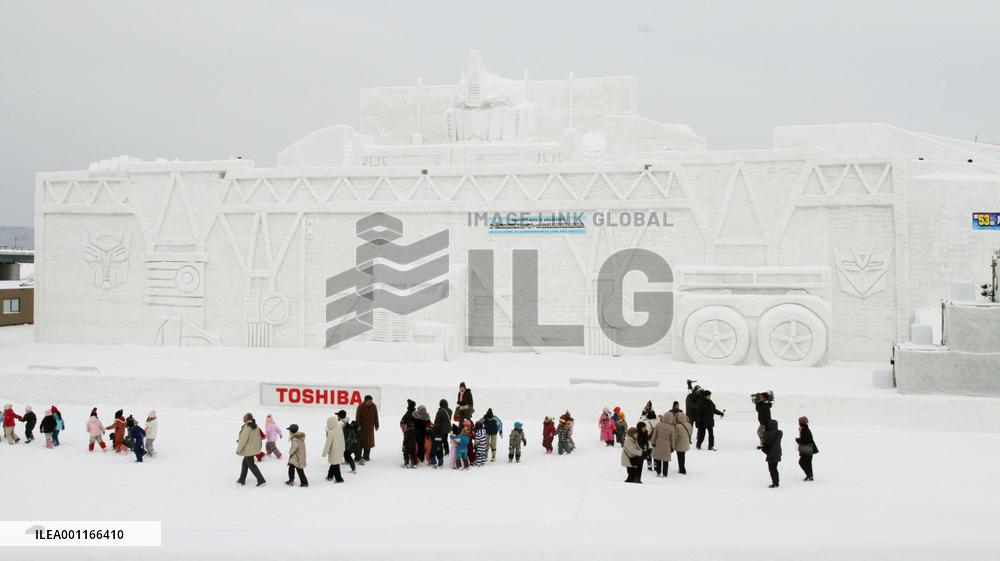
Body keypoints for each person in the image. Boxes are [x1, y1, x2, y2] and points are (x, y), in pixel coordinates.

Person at [236, 413, 266, 486]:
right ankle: (242, 479)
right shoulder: (255, 426)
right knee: (245, 463)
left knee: (251, 465)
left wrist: (238, 449)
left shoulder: (247, 427)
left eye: (244, 417)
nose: (243, 418)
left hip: (248, 449)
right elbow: (258, 438)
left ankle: (261, 480)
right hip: (252, 449)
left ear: (247, 418)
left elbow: (243, 440)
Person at [355, 395, 379, 464]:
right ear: (365, 401)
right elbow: (358, 417)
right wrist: (358, 426)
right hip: (362, 428)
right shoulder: (360, 407)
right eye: (369, 401)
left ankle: (366, 457)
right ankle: (358, 457)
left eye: (371, 401)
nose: (370, 402)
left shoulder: (374, 406)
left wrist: (376, 425)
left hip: (370, 428)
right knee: (360, 443)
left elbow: (375, 416)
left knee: (368, 443)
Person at [322, 414, 346, 482]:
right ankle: (330, 476)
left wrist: (324, 453)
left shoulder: (331, 432)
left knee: (335, 465)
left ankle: (339, 479)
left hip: (334, 451)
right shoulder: (340, 430)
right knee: (335, 463)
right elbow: (343, 440)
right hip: (340, 449)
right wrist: (343, 448)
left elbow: (328, 444)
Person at [650, 413, 675, 477]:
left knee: (658, 459)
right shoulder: (671, 428)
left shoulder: (659, 424)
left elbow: (654, 434)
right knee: (665, 460)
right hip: (667, 446)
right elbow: (672, 439)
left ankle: (658, 472)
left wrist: (653, 442)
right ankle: (665, 474)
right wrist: (672, 447)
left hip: (658, 443)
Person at [761, 419, 783, 488]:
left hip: (771, 453)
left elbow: (764, 441)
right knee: (775, 468)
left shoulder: (767, 434)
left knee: (772, 469)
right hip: (778, 452)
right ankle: (776, 481)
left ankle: (775, 483)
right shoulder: (779, 433)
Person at [795, 416, 818, 481]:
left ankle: (809, 475)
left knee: (802, 462)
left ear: (801, 422)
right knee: (808, 463)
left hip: (807, 448)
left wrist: (798, 440)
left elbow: (805, 440)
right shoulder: (804, 429)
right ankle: (810, 476)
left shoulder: (805, 430)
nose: (798, 423)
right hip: (809, 448)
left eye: (799, 422)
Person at [431, 399, 452, 468]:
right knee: (445, 440)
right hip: (447, 428)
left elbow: (436, 421)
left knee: (439, 442)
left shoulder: (440, 412)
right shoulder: (450, 410)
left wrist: (434, 428)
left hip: (441, 430)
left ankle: (440, 451)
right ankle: (446, 451)